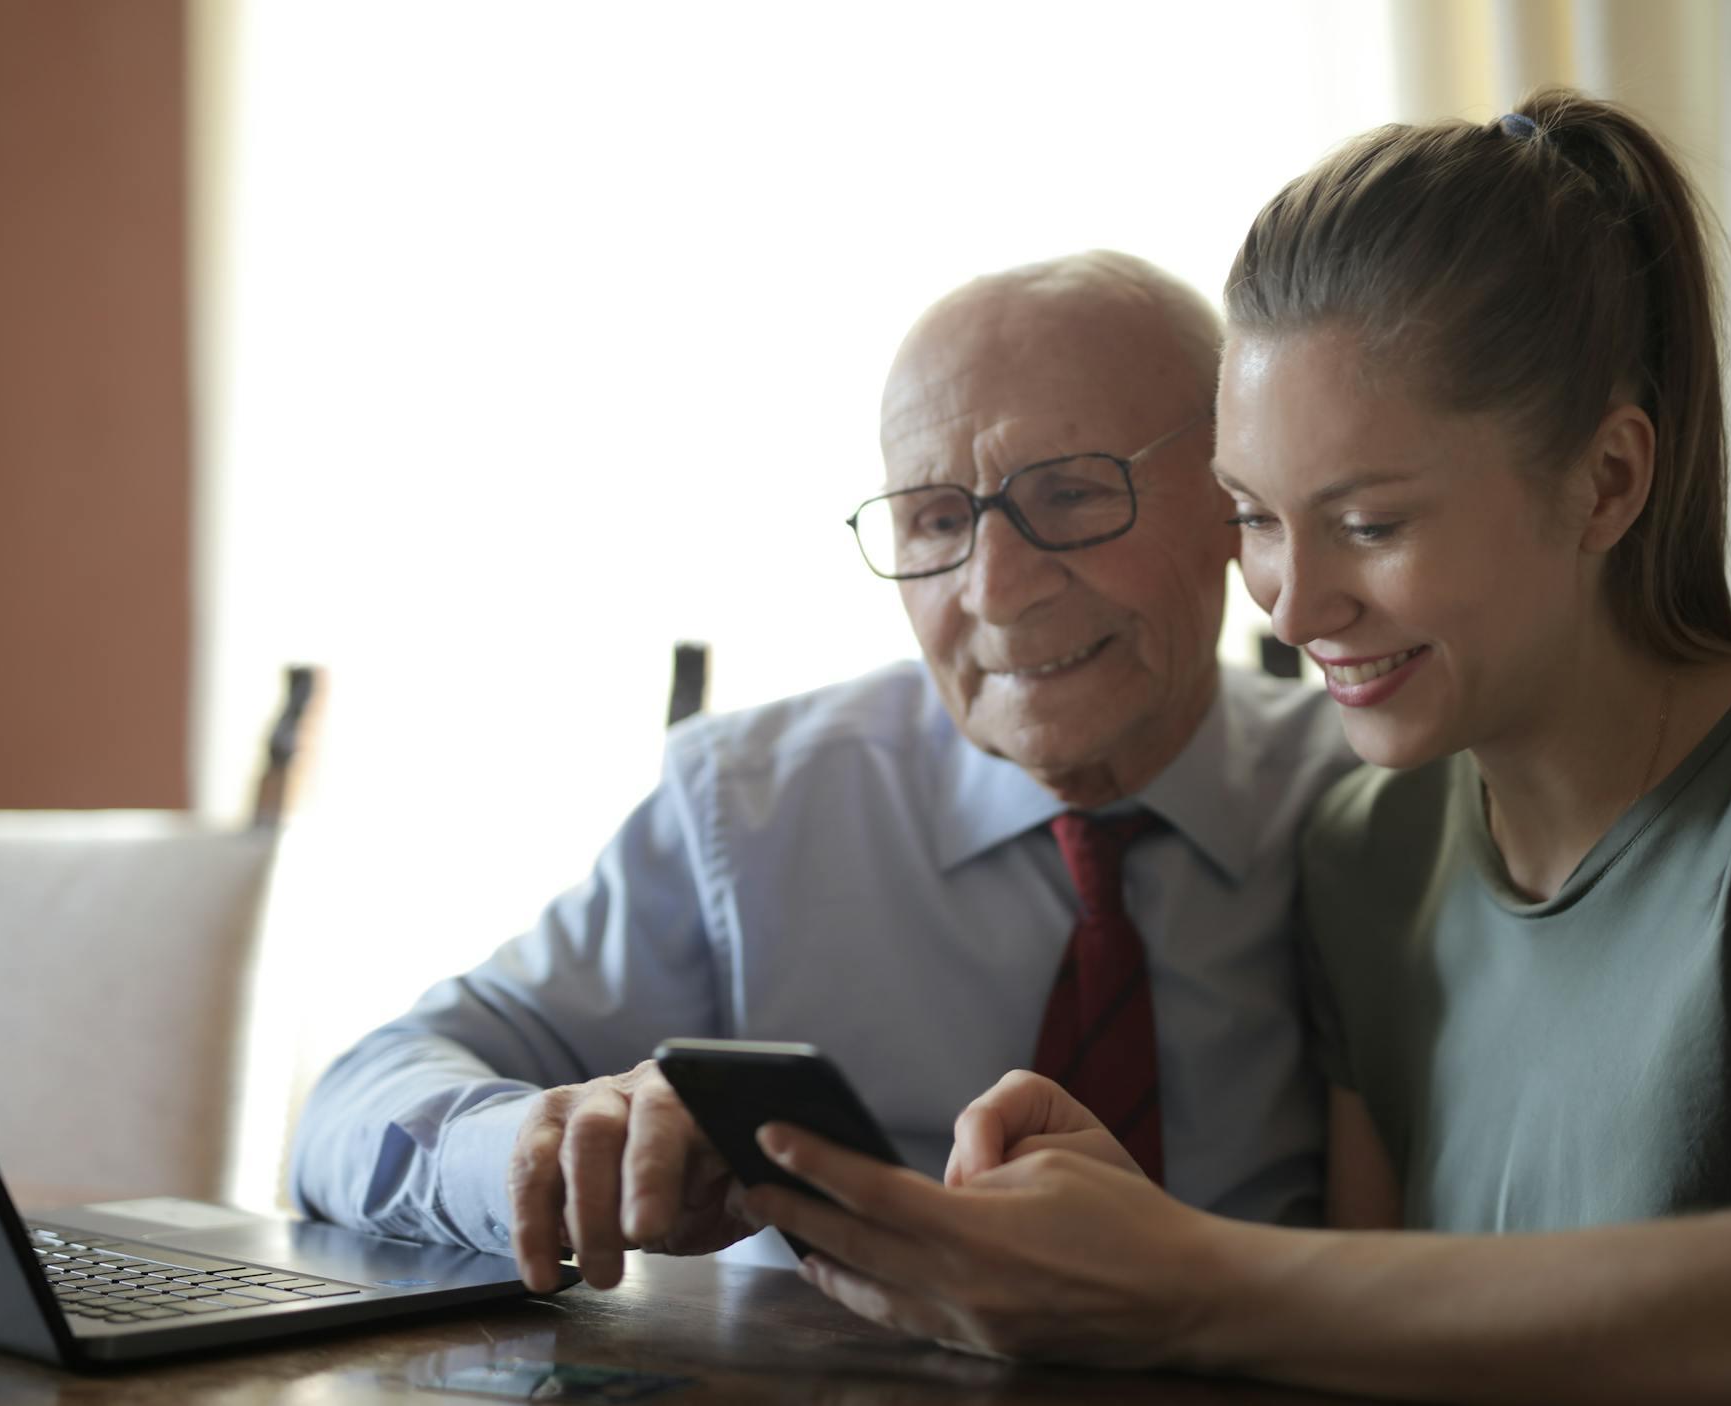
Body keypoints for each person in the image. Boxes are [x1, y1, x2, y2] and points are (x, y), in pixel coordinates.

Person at [739, 90, 1731, 1403]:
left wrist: (1183, 1272)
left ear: (1609, 481)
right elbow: (1365, 1341)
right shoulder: (1368, 849)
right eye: (1255, 517)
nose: (1289, 601)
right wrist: (1116, 1233)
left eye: (1370, 523)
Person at [288, 250, 1356, 1297]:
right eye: (937, 519)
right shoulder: (753, 808)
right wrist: (539, 1143)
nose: (995, 590)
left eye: (1072, 495)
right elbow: (353, 1107)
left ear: (1235, 499)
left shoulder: (1369, 807)